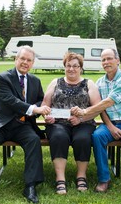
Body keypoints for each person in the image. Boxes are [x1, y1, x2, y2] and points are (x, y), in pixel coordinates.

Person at [0, 45, 51, 204]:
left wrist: (38, 107)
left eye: (29, 60)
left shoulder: (35, 81)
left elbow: (40, 99)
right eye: (22, 59)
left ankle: (30, 186)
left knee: (33, 140)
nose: (25, 62)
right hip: (0, 124)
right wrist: (34, 108)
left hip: (22, 126)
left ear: (32, 63)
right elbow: (11, 101)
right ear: (16, 59)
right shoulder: (2, 78)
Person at [71, 48, 121, 197]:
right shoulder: (100, 83)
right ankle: (104, 179)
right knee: (97, 136)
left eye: (109, 58)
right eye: (103, 60)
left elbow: (108, 102)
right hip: (109, 123)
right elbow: (101, 109)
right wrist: (110, 127)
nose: (106, 62)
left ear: (117, 60)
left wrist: (84, 112)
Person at [41, 52, 100, 194]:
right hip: (57, 123)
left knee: (83, 139)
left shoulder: (89, 83)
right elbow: (45, 104)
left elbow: (97, 107)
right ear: (64, 67)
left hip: (83, 123)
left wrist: (81, 118)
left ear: (81, 68)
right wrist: (47, 116)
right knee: (59, 137)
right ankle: (60, 178)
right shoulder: (55, 82)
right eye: (68, 66)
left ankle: (81, 176)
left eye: (75, 66)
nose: (71, 69)